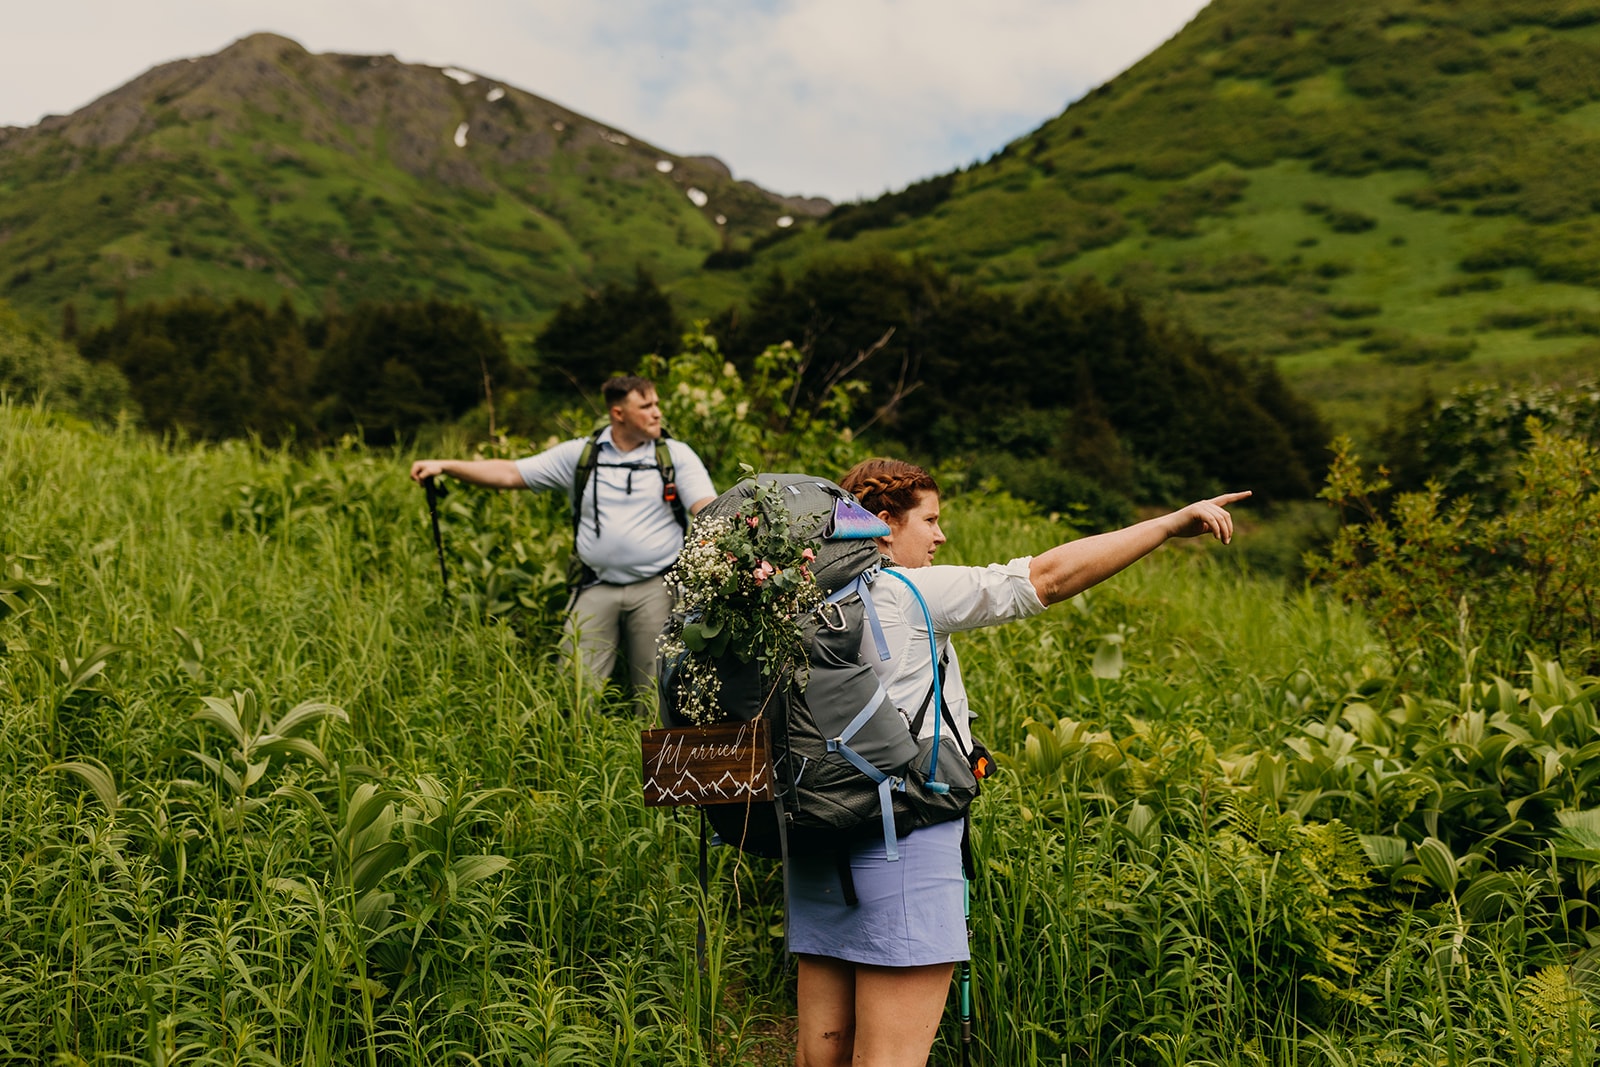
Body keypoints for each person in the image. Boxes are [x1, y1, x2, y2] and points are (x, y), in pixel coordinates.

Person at [789, 457, 1249, 1067]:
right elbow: (1045, 579)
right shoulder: (904, 590)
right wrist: (1167, 524)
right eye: (929, 520)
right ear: (881, 524)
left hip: (815, 833)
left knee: (818, 1055)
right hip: (905, 835)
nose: (939, 536)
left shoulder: (796, 602)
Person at [409, 376, 716, 703]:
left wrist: (731, 524)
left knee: (657, 685)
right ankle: (577, 743)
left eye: (656, 404)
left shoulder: (675, 455)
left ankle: (657, 750)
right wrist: (445, 466)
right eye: (646, 406)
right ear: (618, 413)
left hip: (657, 584)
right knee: (575, 684)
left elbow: (705, 507)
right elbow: (511, 474)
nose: (657, 413)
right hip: (596, 583)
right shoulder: (582, 455)